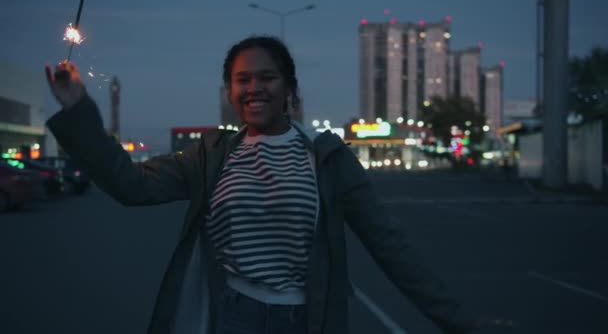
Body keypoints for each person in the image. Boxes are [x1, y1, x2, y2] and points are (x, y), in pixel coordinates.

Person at [45, 35, 509, 334]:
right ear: (229, 91)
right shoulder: (210, 155)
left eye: (267, 77)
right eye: (242, 79)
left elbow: (390, 245)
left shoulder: (325, 155)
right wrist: (77, 110)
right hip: (230, 318)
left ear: (289, 87)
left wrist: (461, 323)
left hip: (304, 321)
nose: (254, 88)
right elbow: (130, 186)